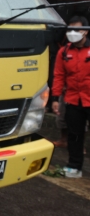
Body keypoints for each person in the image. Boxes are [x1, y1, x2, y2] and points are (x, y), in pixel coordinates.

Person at [52, 15, 90, 179]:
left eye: (77, 29)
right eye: (70, 29)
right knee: (74, 135)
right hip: (73, 100)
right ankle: (74, 167)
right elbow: (59, 75)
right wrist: (55, 98)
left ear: (85, 32)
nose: (73, 32)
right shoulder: (64, 51)